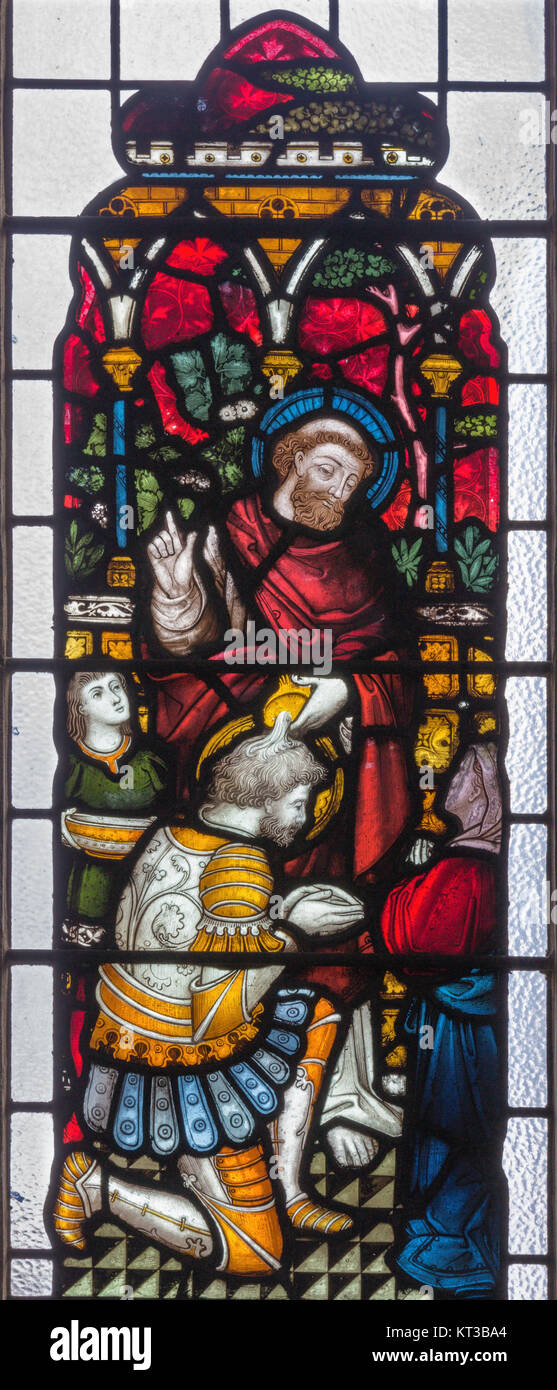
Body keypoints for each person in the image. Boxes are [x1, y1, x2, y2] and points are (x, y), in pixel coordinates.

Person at [145, 411, 416, 1157]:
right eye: (327, 468)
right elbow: (193, 648)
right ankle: (205, 1086)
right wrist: (175, 601)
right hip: (229, 755)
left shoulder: (364, 560)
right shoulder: (229, 531)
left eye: (355, 478)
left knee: (332, 927)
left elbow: (391, 671)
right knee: (232, 920)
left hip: (324, 777)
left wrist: (338, 698)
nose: (339, 487)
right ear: (289, 462)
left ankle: (339, 1099)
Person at [50, 713, 368, 1276]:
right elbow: (215, 1013)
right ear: (266, 800)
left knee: (316, 1014)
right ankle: (96, 1188)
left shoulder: (183, 833)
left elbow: (197, 938)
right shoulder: (242, 864)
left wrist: (278, 915)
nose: (303, 818)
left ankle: (286, 1188)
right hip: (188, 1063)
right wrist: (297, 934)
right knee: (258, 1257)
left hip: (132, 1031)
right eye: (300, 802)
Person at [378, 743, 504, 1297]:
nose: (449, 785)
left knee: (456, 1126)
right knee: (452, 1126)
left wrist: (402, 891)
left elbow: (420, 943)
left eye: (459, 777)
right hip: (457, 1020)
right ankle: (450, 1240)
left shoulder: (466, 868)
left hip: (461, 1027)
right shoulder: (462, 859)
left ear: (481, 793)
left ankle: (454, 1243)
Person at [62, 671, 167, 939]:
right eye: (98, 694)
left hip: (148, 883)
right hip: (87, 888)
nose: (116, 698)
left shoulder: (152, 761)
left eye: (116, 686)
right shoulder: (70, 767)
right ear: (80, 707)